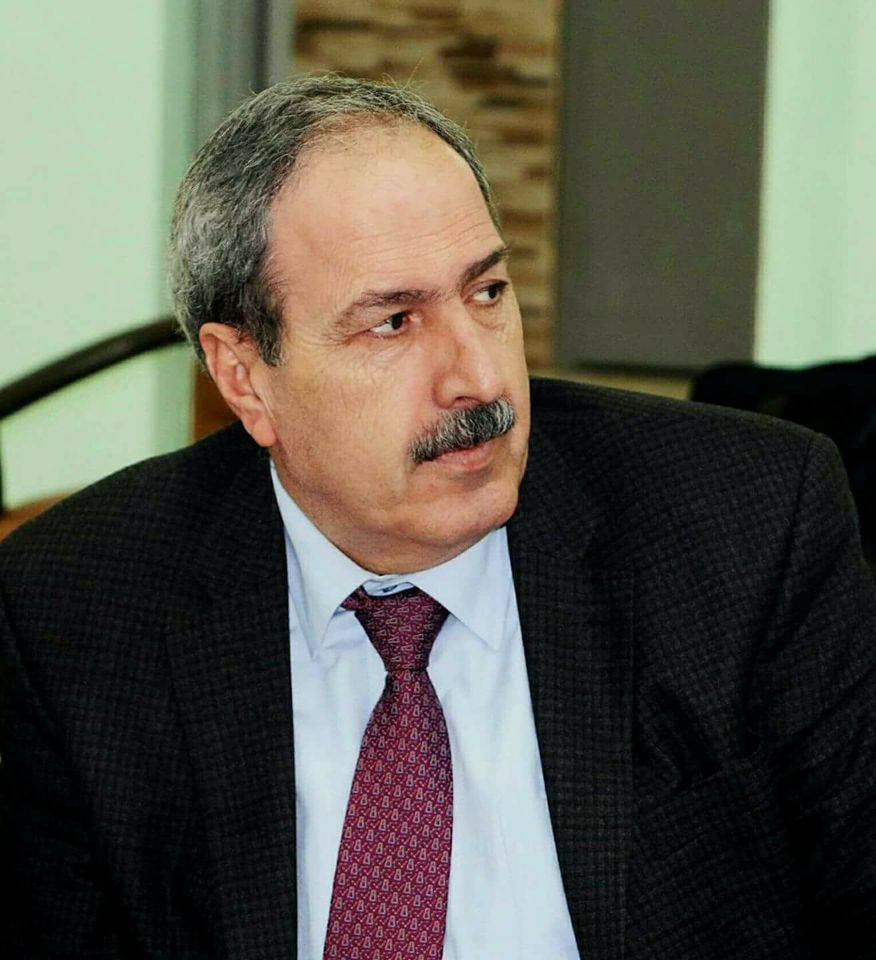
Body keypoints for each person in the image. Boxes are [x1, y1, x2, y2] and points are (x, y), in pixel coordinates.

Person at [1, 74, 874, 960]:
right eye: (393, 322)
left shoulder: (748, 524)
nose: (479, 378)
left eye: (487, 292)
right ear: (245, 376)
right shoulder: (72, 613)